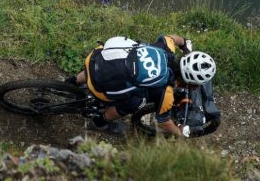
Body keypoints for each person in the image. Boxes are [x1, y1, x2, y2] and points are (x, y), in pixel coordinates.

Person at [66, 34, 216, 137]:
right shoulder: (166, 92)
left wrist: (184, 42)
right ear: (190, 84)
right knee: (136, 102)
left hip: (93, 60)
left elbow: (170, 37)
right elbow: (164, 122)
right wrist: (180, 132)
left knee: (117, 60)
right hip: (99, 88)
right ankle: (99, 123)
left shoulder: (166, 50)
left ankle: (72, 82)